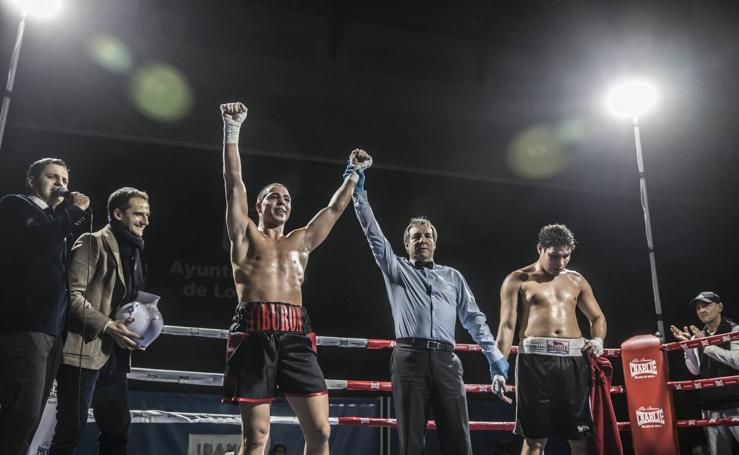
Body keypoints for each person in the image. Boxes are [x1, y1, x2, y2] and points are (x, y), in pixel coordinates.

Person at [219, 102, 359, 455]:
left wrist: (354, 173)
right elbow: (234, 181)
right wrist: (232, 129)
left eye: (287, 198)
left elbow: (335, 209)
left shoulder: (302, 240)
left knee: (321, 432)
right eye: (273, 197)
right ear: (259, 205)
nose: (281, 202)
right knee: (255, 438)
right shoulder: (245, 233)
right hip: (254, 333)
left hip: (296, 335)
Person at [352, 152, 509, 455]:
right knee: (411, 442)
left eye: (426, 236)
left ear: (435, 242)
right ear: (406, 244)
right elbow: (373, 235)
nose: (421, 240)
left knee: (459, 441)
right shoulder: (396, 269)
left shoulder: (453, 276)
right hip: (409, 358)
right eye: (415, 237)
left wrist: (494, 356)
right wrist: (359, 192)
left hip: (447, 362)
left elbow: (474, 319)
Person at [48, 187, 151, 454]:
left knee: (117, 431)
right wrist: (107, 325)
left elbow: (130, 304)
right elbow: (72, 297)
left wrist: (142, 330)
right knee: (70, 432)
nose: (145, 220)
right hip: (82, 353)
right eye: (138, 213)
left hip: (115, 356)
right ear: (117, 213)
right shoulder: (92, 242)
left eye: (147, 214)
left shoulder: (135, 252)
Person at [0, 158, 89, 455]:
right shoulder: (17, 205)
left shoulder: (55, 220)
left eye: (64, 178)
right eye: (52, 177)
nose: (61, 184)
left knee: (33, 416)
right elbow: (38, 236)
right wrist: (74, 211)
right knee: (20, 412)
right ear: (31, 181)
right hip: (26, 324)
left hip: (53, 330)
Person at [496, 224, 606, 455]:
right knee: (535, 439)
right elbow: (507, 327)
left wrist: (597, 340)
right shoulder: (518, 280)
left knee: (579, 435)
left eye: (566, 256)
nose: (561, 262)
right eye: (555, 256)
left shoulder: (576, 280)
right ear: (540, 248)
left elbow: (597, 317)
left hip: (573, 362)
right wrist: (499, 368)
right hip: (534, 363)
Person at [671, 291, 739, 455]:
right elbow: (695, 370)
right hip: (711, 406)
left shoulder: (734, 330)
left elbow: (737, 361)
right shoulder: (700, 335)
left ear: (720, 306)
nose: (702, 310)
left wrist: (706, 345)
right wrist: (689, 346)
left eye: (707, 305)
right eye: (698, 308)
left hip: (736, 404)